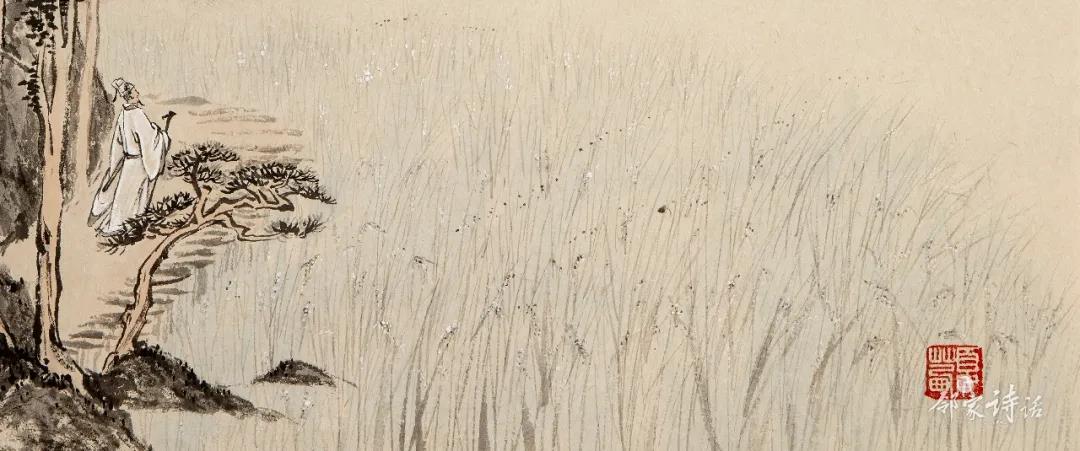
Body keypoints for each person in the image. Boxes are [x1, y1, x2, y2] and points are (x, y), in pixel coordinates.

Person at [89, 78, 173, 236]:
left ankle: (118, 225)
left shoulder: (123, 115)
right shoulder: (138, 114)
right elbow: (149, 140)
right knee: (134, 195)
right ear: (130, 96)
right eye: (135, 91)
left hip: (128, 162)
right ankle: (122, 227)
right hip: (140, 163)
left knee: (125, 194)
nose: (138, 93)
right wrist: (162, 136)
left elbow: (118, 142)